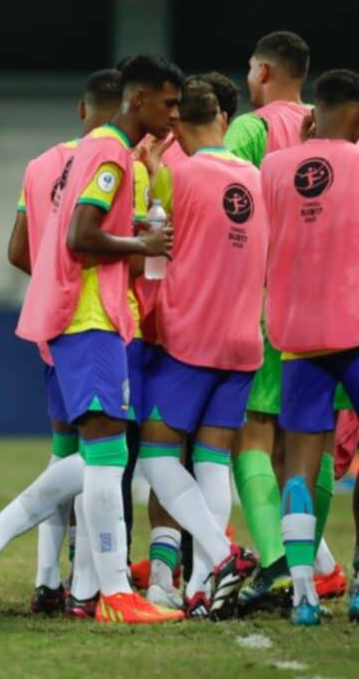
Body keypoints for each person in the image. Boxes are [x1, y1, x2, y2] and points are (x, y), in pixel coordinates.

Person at [0, 55, 190, 624]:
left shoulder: (83, 153)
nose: (174, 114)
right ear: (139, 101)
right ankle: (111, 591)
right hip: (90, 317)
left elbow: (46, 239)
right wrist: (143, 246)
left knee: (92, 458)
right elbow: (83, 235)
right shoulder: (110, 154)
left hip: (69, 317)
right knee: (108, 459)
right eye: (168, 103)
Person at [138, 77, 268, 618]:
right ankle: (200, 590)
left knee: (157, 454)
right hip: (245, 340)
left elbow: (149, 240)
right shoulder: (257, 177)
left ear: (175, 126)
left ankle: (218, 556)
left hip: (191, 337)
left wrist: (149, 175)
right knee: (213, 461)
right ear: (220, 117)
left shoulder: (177, 175)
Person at [8, 68, 125, 616]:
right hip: (95, 317)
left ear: (82, 110)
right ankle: (87, 587)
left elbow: (16, 249)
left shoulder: (40, 164)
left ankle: (45, 582)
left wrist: (51, 273)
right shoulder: (119, 162)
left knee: (64, 451)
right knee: (104, 456)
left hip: (50, 327)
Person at [261, 68, 359, 625]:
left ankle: (303, 594)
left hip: (296, 332)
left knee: (298, 465)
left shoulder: (274, 166)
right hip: (355, 327)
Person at [224, 31, 314, 610]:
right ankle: (315, 563)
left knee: (250, 435)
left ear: (261, 70)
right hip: (324, 308)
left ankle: (276, 562)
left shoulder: (250, 130)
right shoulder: (327, 122)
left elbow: (228, 207)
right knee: (307, 443)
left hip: (262, 301)